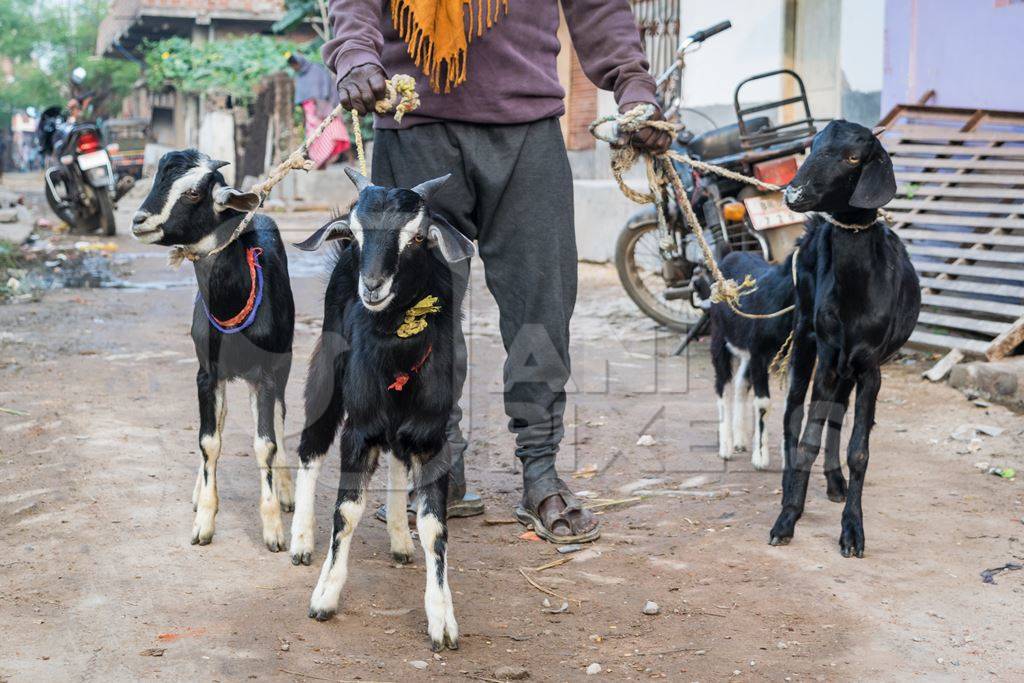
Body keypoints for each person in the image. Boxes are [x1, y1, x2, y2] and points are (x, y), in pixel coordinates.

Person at [322, 0, 672, 543]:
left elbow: (598, 6)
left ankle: (539, 471)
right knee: (416, 315)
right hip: (414, 126)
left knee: (542, 304)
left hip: (527, 130)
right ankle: (437, 463)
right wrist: (354, 55)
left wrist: (633, 86)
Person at [287, 52, 351, 169]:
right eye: (292, 66)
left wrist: (321, 104)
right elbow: (302, 99)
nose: (294, 67)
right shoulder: (300, 76)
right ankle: (318, 160)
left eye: (295, 64)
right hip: (310, 113)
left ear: (299, 61)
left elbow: (326, 88)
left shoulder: (316, 70)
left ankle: (327, 158)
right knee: (313, 135)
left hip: (322, 108)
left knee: (331, 131)